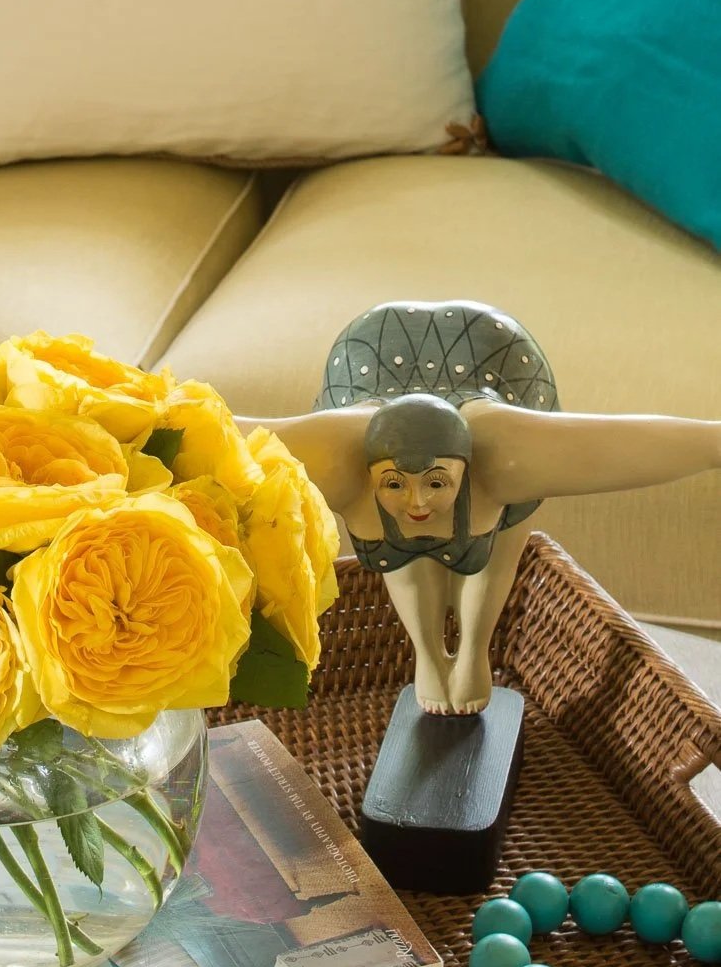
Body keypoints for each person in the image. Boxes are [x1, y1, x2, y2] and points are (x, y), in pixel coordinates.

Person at [239, 300, 721, 716]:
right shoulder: (347, 472)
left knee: (500, 531)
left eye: (435, 483)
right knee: (409, 557)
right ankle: (430, 655)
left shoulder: (506, 461)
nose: (418, 502)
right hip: (368, 375)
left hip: (505, 377)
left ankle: (472, 652)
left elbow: (627, 447)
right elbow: (218, 441)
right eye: (396, 484)